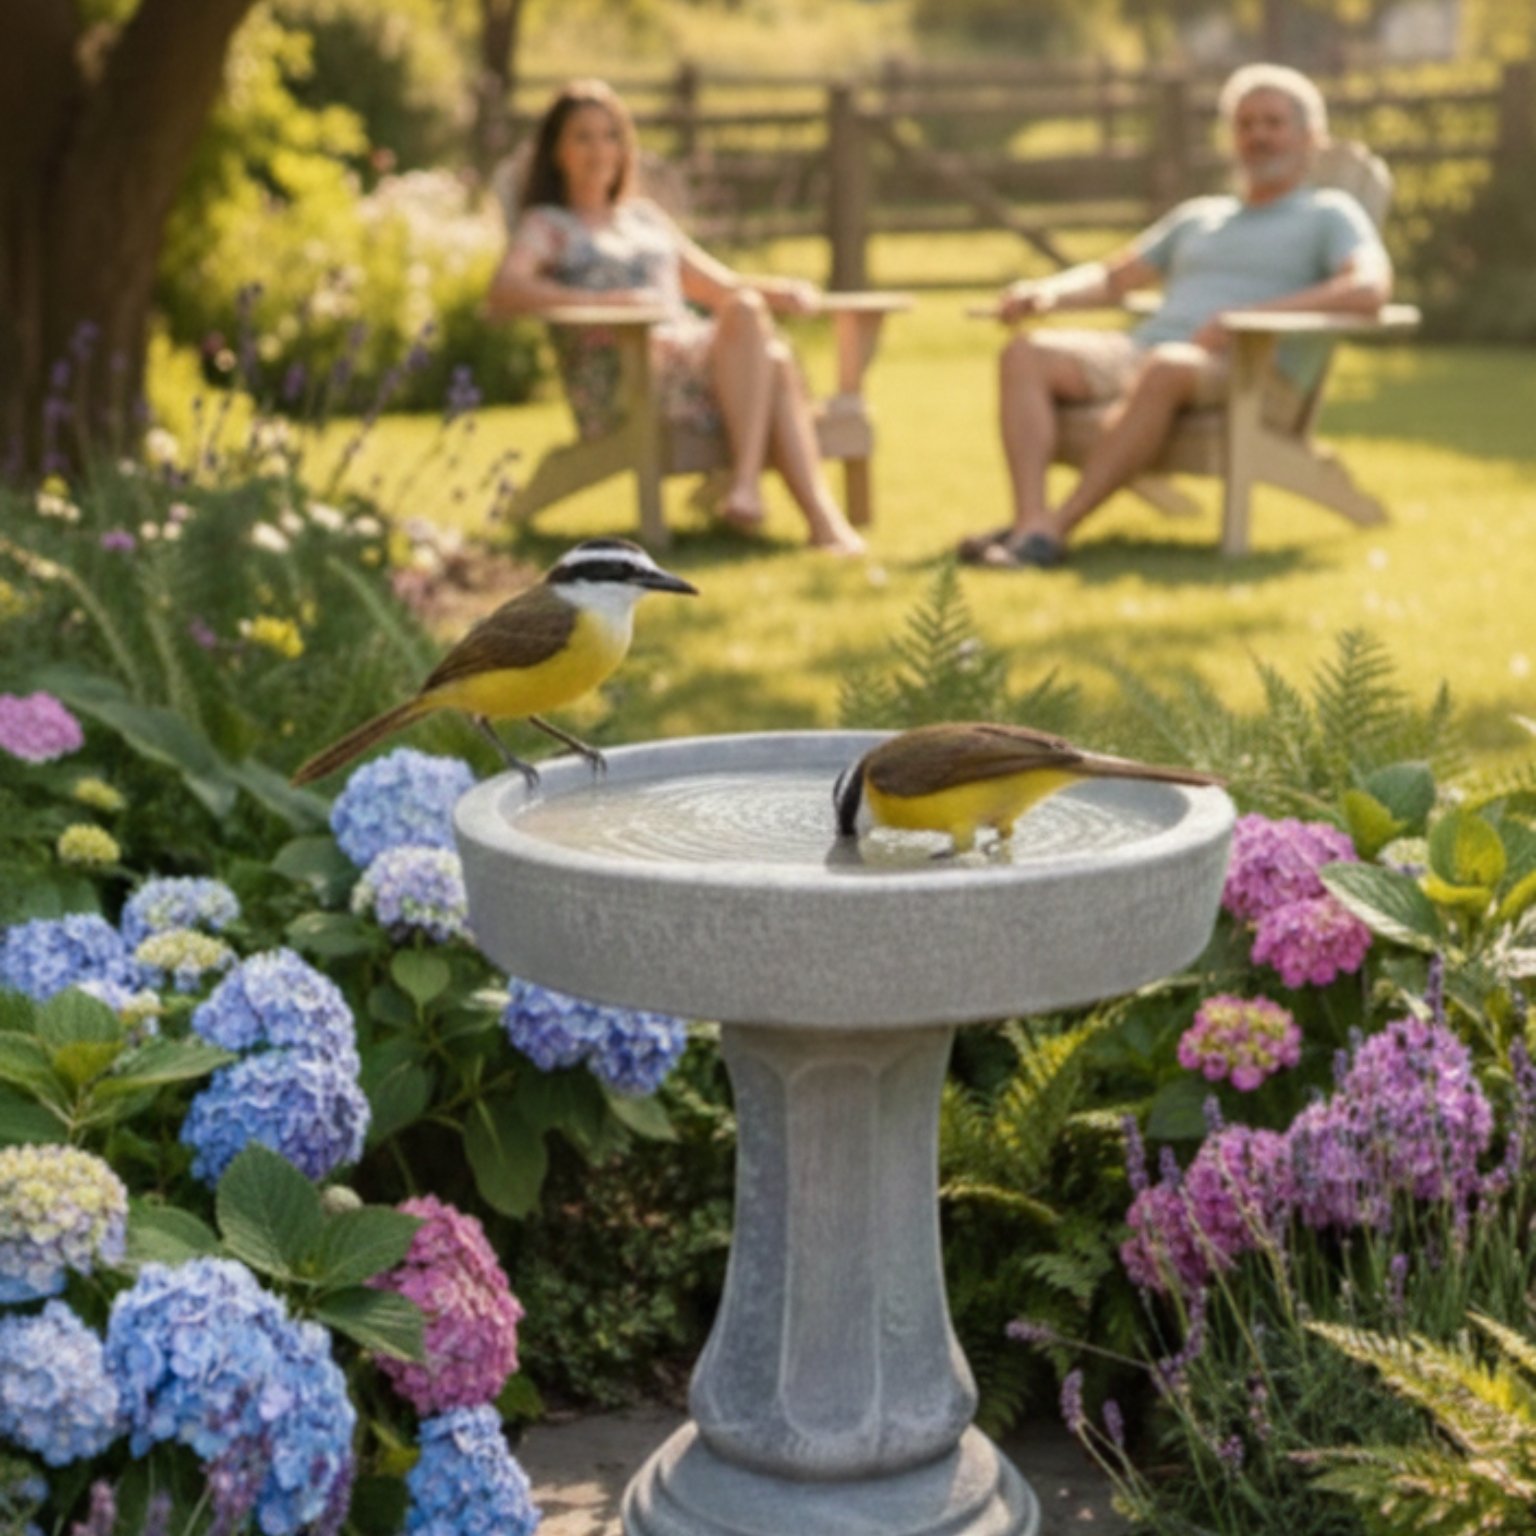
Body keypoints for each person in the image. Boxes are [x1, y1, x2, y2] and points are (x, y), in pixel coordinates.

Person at [960, 63, 1393, 570]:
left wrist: (1244, 317)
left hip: (1250, 372)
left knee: (1166, 365)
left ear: (1310, 137)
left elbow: (1369, 288)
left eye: (1273, 123)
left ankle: (1055, 528)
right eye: (1245, 124)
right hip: (1146, 353)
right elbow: (1113, 277)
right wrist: (1045, 294)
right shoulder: (1199, 216)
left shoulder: (1330, 213)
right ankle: (1030, 522)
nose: (1258, 136)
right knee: (1025, 353)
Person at [487, 78, 866, 556]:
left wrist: (780, 291)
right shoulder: (549, 225)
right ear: (557, 150)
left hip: (699, 362)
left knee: (752, 319)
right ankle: (812, 518)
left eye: (611, 136)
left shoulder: (644, 218)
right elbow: (505, 289)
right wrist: (609, 303)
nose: (599, 149)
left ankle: (760, 493)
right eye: (582, 136)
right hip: (631, 374)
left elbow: (718, 287)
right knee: (771, 358)